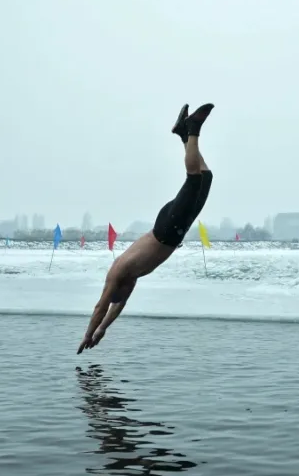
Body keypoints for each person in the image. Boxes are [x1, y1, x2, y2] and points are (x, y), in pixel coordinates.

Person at [77, 102, 215, 353]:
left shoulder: (118, 274)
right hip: (174, 231)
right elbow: (116, 308)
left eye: (123, 293)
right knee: (206, 178)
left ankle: (193, 128)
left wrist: (88, 333)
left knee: (194, 178)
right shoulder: (128, 281)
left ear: (116, 289)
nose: (127, 293)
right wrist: (102, 330)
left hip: (166, 229)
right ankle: (184, 134)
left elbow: (101, 307)